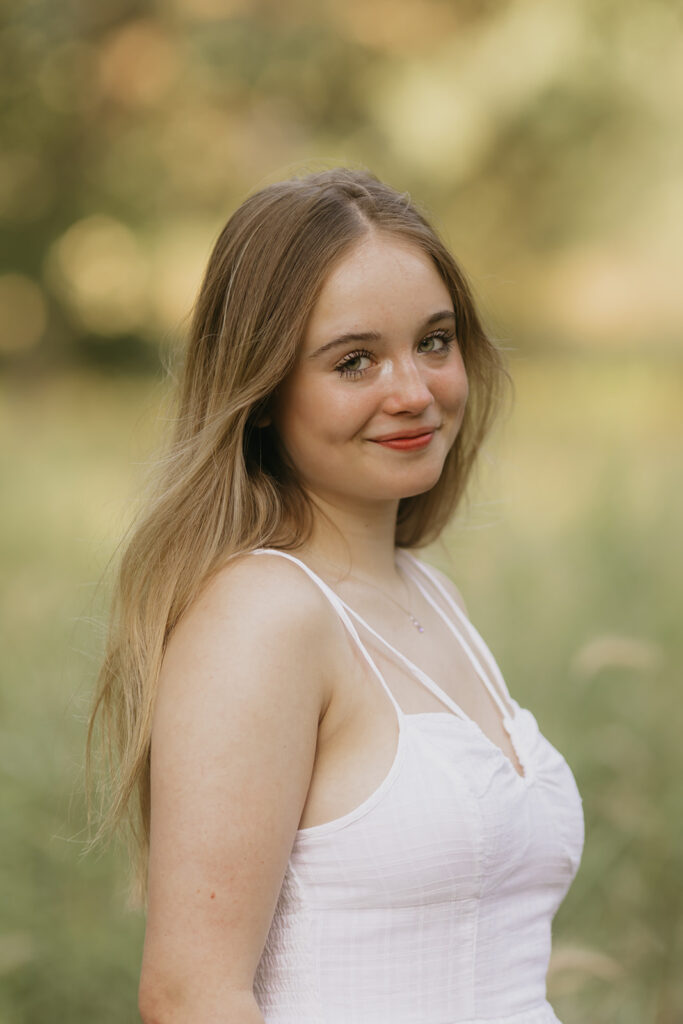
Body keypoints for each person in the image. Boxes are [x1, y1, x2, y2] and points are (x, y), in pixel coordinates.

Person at [88, 168, 584, 1024]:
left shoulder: (425, 593)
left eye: (434, 341)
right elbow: (190, 996)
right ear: (264, 395)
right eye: (355, 360)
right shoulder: (261, 618)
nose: (414, 392)